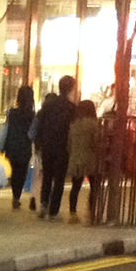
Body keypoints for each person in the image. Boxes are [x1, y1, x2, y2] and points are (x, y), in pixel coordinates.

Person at [32, 75, 76, 219]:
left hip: (47, 144)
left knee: (47, 176)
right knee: (59, 179)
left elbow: (39, 124)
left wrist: (38, 142)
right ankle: (53, 210)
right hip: (63, 147)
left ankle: (44, 204)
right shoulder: (71, 108)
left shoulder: (48, 105)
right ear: (71, 89)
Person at [66, 99, 101, 223]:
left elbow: (69, 143)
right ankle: (90, 212)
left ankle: (73, 213)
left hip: (76, 158)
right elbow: (95, 142)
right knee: (94, 186)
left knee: (75, 187)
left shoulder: (74, 124)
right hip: (90, 158)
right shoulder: (94, 124)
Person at [1, 85, 35, 209]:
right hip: (25, 146)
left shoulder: (12, 113)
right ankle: (17, 196)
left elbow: (7, 129)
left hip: (12, 145)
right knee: (22, 172)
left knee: (14, 171)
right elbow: (32, 132)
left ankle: (15, 195)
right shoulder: (31, 115)